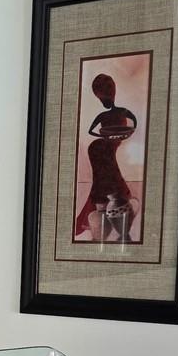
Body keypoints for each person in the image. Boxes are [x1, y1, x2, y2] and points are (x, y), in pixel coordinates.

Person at [73, 72, 137, 241]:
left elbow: (133, 125)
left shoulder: (122, 112)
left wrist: (118, 136)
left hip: (107, 145)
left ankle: (108, 202)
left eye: (102, 96)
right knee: (104, 166)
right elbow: (91, 131)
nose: (103, 100)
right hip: (100, 146)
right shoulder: (114, 113)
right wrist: (107, 136)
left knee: (108, 164)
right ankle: (106, 204)